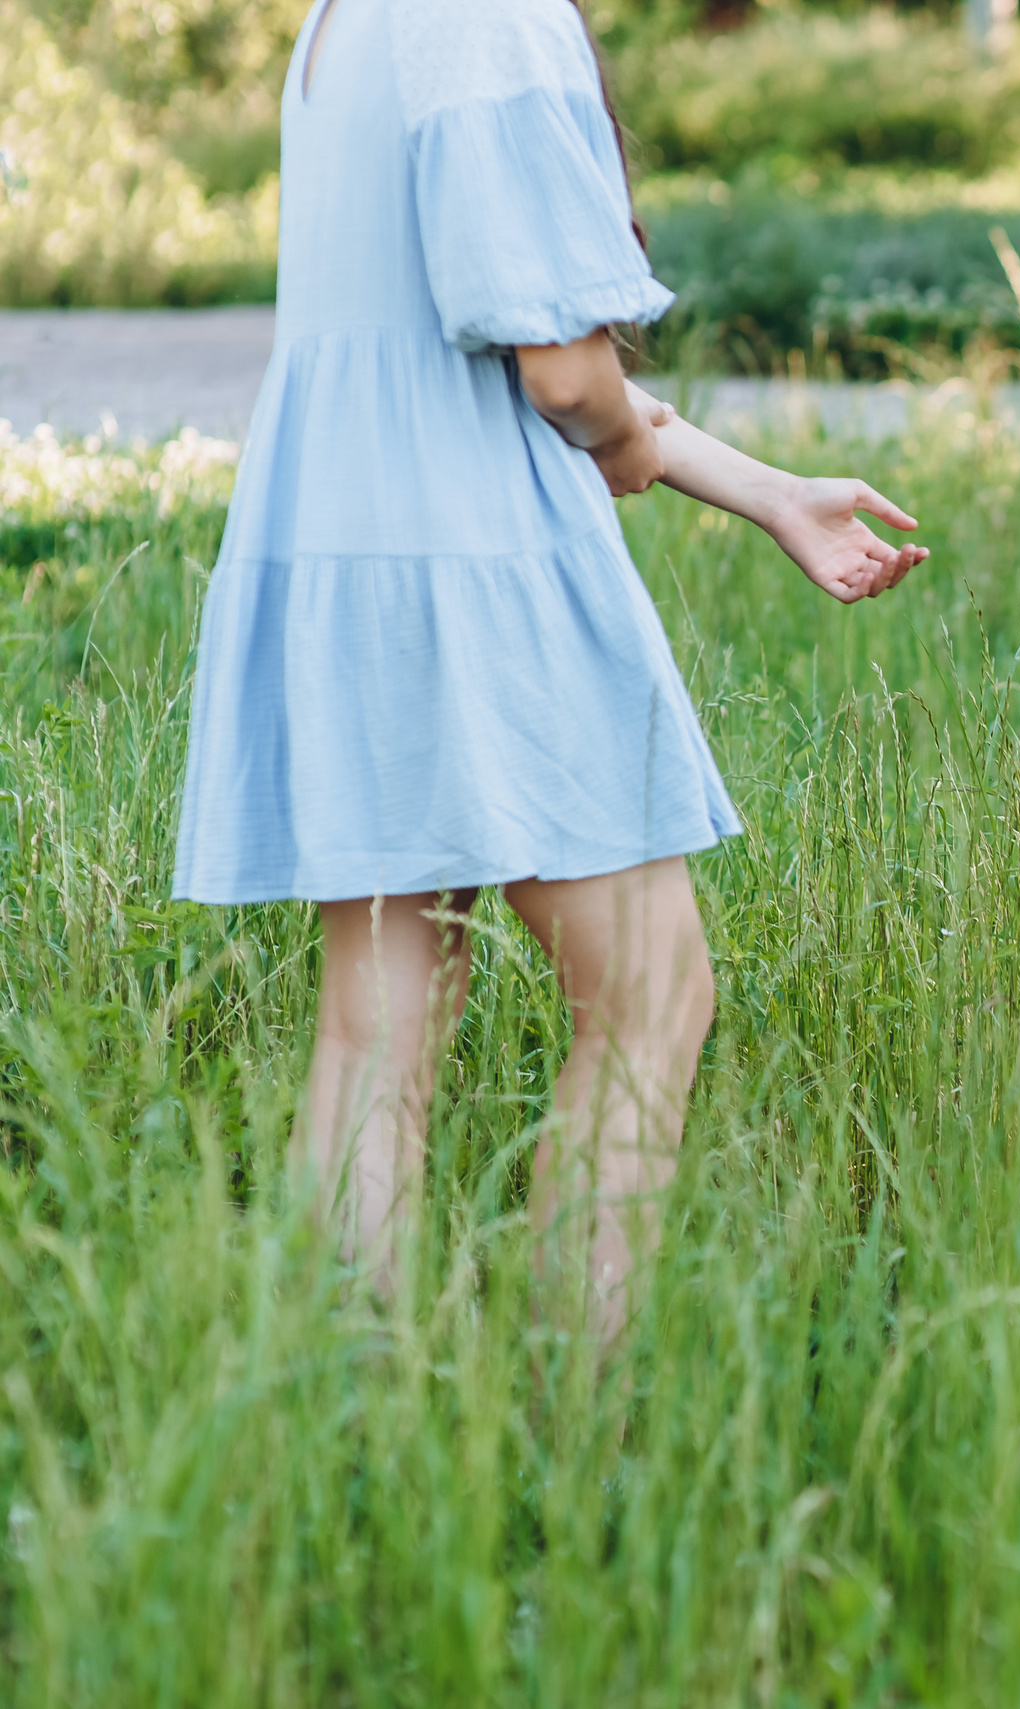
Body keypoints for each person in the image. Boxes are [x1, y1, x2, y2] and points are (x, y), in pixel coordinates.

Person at [172, 0, 928, 1338]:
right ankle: (581, 1434)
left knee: (377, 1028)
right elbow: (566, 377)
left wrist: (759, 491)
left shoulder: (352, 18)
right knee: (651, 996)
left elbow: (465, 351)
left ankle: (350, 1439)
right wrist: (633, 439)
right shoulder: (493, 13)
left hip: (346, 543)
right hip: (480, 564)